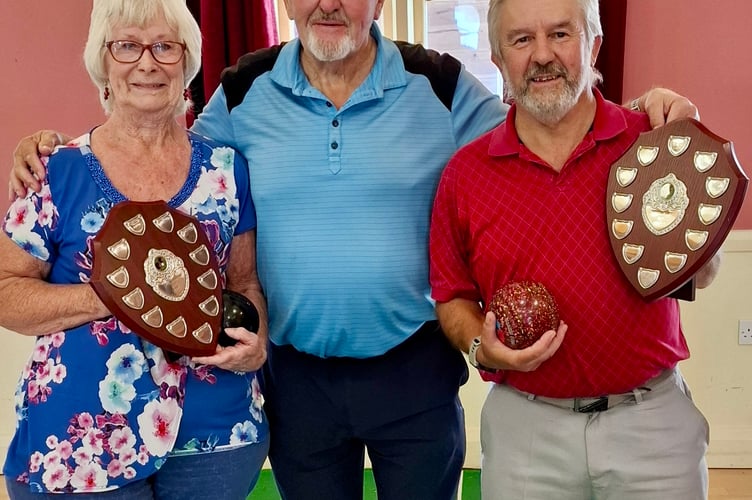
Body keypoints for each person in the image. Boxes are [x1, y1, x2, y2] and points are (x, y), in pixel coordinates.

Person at [8, 2, 702, 499]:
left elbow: (544, 117)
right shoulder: (243, 90)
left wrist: (642, 111)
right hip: (297, 378)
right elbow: (153, 134)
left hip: (413, 374)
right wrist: (48, 147)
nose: (329, 4)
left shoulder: (442, 83)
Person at [429, 0, 721, 499]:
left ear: (595, 45)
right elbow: (451, 297)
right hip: (526, 430)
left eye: (561, 34)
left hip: (650, 423)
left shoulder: (651, 143)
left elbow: (704, 268)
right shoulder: (465, 175)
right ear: (499, 60)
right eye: (521, 40)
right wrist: (482, 346)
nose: (542, 55)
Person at [0, 0, 269, 498]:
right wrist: (115, 295)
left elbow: (244, 283)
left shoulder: (227, 170)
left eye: (166, 46)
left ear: (187, 62)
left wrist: (256, 350)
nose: (147, 62)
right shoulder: (52, 171)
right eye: (127, 46)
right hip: (80, 443)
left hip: (215, 437)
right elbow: (5, 292)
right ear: (102, 63)